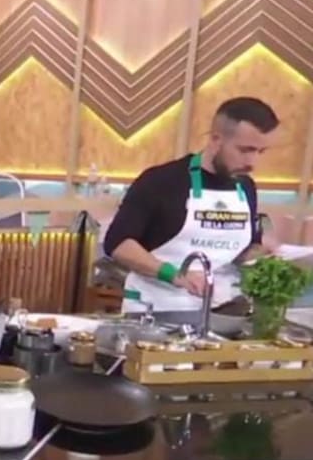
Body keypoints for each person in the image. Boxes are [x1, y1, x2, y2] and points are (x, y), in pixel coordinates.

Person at [104, 97, 278, 314]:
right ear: (215, 139)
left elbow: (240, 251)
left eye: (261, 152)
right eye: (245, 150)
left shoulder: (246, 187)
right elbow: (118, 244)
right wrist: (175, 275)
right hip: (156, 310)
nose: (253, 162)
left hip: (222, 312)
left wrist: (261, 253)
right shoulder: (161, 181)